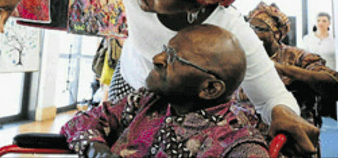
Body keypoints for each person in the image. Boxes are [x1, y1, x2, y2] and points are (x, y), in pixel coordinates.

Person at [0, 0, 319, 155]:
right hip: (131, 87)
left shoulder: (231, 29)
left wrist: (282, 112)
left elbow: (272, 95)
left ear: (199, 8)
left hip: (187, 107)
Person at [61, 25, 270, 157]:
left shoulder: (238, 143)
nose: (157, 59)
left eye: (172, 57)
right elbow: (82, 121)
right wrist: (98, 152)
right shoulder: (146, 100)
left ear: (210, 88)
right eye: (165, 49)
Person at [235, 2, 338, 138]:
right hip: (247, 141)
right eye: (249, 28)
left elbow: (336, 86)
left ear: (276, 34)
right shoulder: (238, 57)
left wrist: (283, 69)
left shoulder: (298, 57)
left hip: (292, 140)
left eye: (259, 29)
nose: (251, 34)